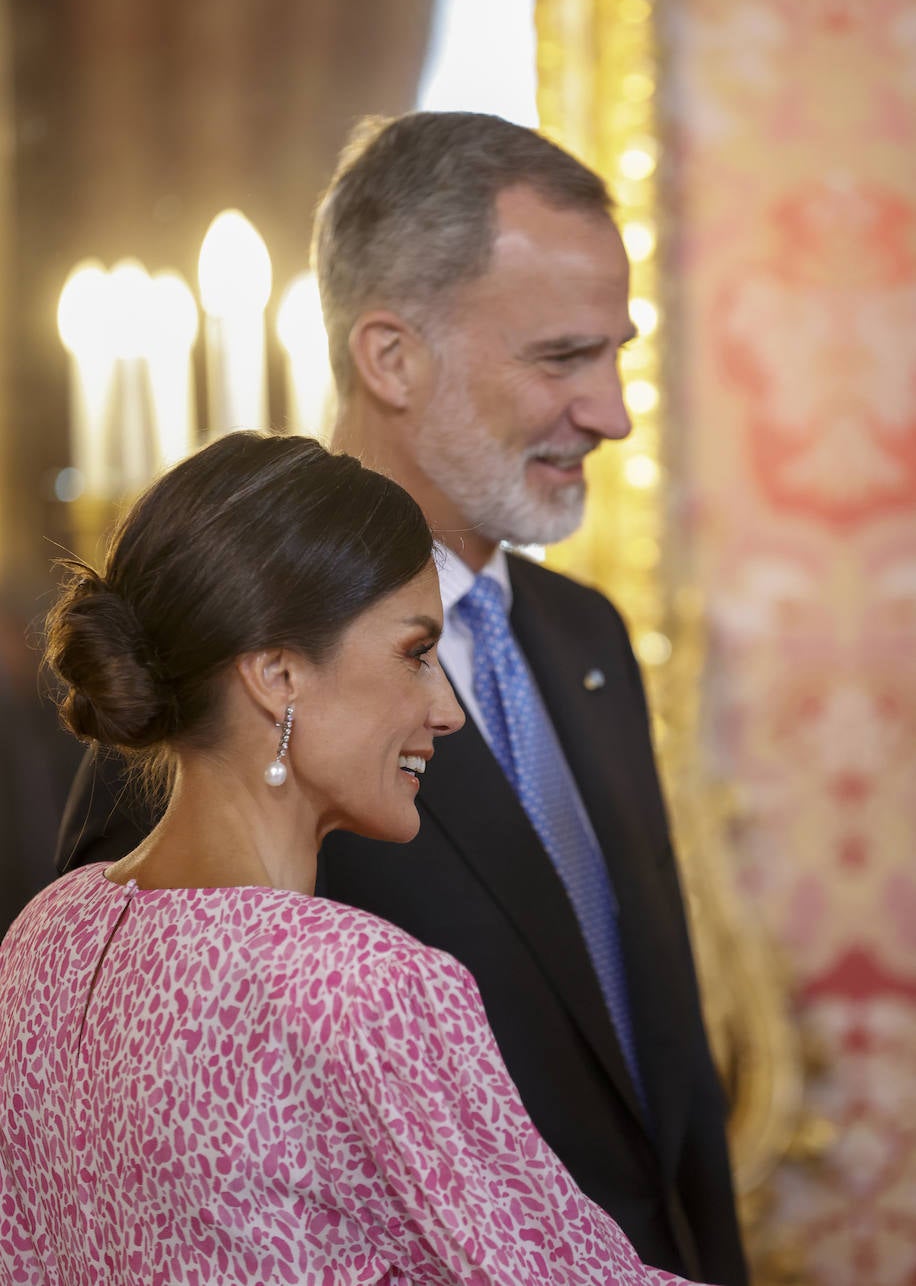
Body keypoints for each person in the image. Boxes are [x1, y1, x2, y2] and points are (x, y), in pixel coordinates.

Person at [57, 113, 748, 1284]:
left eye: (617, 354)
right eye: (562, 357)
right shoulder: (217, 687)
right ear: (389, 356)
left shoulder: (586, 639)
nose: (614, 411)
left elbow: (651, 1078)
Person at [0, 430, 708, 1285]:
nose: (445, 710)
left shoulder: (48, 936)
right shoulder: (357, 985)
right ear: (277, 674)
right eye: (415, 655)